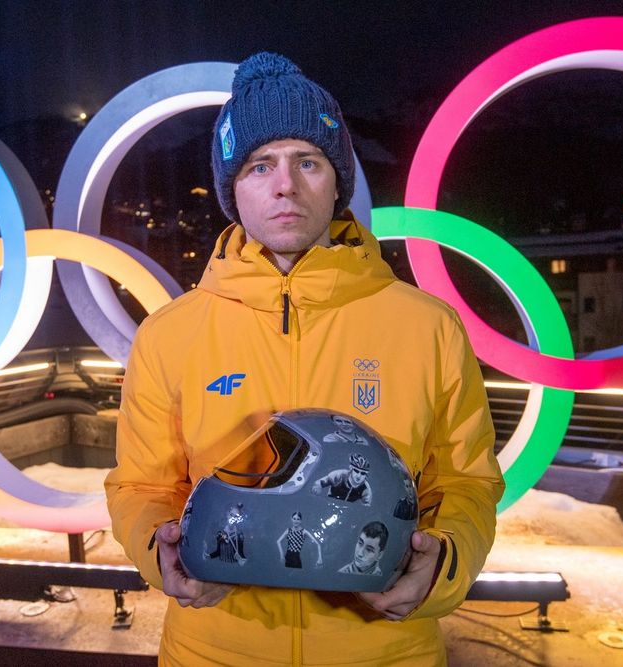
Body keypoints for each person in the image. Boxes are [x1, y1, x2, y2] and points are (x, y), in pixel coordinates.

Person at [105, 51, 505, 666]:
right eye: (260, 165)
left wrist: (445, 561)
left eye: (308, 161)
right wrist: (160, 552)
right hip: (213, 650)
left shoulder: (429, 327)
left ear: (337, 182)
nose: (285, 184)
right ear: (233, 189)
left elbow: (467, 482)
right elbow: (142, 485)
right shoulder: (169, 334)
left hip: (384, 652)